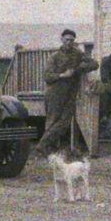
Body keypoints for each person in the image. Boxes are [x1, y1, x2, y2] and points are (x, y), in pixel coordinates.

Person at [41, 28, 98, 156]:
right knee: (53, 120)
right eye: (67, 40)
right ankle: (47, 148)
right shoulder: (54, 57)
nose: (69, 42)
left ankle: (46, 145)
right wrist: (62, 75)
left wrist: (78, 69)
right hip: (55, 91)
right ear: (61, 40)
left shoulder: (78, 54)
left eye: (72, 40)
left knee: (65, 120)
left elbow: (94, 64)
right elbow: (47, 76)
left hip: (71, 92)